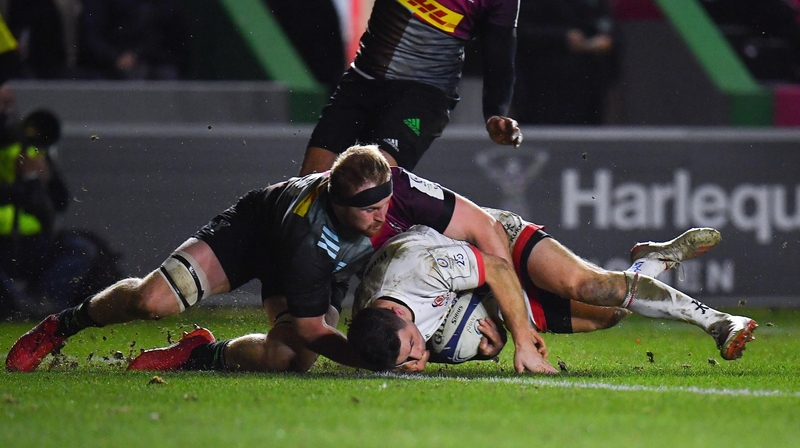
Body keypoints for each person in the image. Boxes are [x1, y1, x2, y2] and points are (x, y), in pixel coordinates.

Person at [6, 145, 549, 374]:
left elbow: (484, 230)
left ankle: (201, 354)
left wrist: (519, 324)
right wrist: (374, 359)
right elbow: (313, 328)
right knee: (152, 301)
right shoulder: (310, 237)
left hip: (320, 266)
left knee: (288, 361)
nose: (383, 216)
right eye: (369, 211)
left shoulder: (398, 189)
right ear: (337, 203)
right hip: (255, 233)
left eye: (386, 204)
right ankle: (63, 324)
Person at [347, 210, 757, 371]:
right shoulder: (379, 332)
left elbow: (497, 268)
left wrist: (522, 339)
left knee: (590, 286)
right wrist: (489, 346)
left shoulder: (421, 270)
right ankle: (651, 262)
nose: (417, 358)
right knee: (609, 316)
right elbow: (436, 339)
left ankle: (719, 322)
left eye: (413, 348)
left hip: (494, 244)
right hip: (478, 293)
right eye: (406, 362)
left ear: (399, 313)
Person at [299, 0, 524, 175]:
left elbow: (500, 59)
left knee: (369, 182)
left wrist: (495, 113)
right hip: (362, 80)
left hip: (424, 97)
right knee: (309, 184)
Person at [0, 109, 121, 320]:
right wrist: (22, 179)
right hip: (4, 244)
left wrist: (43, 177)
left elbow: (61, 201)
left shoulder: (35, 152)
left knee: (81, 249)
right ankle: (15, 306)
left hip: (35, 243)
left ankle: (44, 304)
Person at [512, 0, 619, 125]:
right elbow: (520, 31)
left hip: (589, 84)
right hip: (543, 85)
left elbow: (608, 25)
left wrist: (607, 40)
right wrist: (562, 37)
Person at [76, 0, 188, 80]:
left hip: (154, 62)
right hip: (108, 67)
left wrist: (138, 55)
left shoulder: (163, 5)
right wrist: (115, 57)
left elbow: (167, 37)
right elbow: (91, 37)